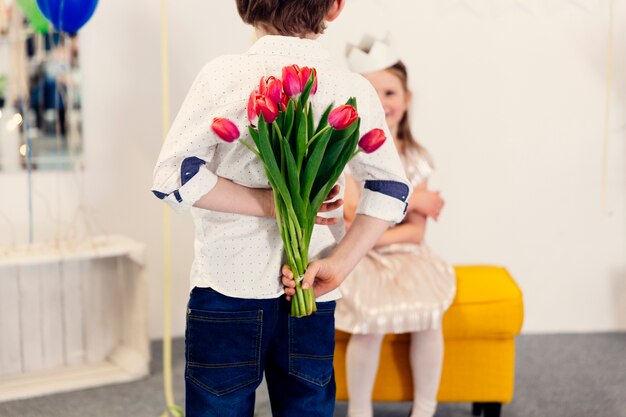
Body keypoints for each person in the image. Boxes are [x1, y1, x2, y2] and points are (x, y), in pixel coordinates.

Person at [151, 2, 411, 416]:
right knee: (307, 408)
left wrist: (269, 203)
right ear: (336, 7)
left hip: (226, 288)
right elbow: (391, 189)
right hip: (312, 283)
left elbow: (172, 177)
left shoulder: (223, 76)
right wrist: (338, 262)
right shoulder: (352, 89)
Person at [335, 36, 457, 417]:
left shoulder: (416, 158)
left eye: (390, 92)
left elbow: (415, 232)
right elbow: (352, 213)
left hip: (405, 254)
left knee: (429, 319)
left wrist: (384, 227)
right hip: (360, 257)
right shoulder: (346, 152)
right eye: (370, 92)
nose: (382, 102)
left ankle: (424, 406)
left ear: (406, 98)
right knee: (369, 324)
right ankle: (359, 408)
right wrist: (412, 199)